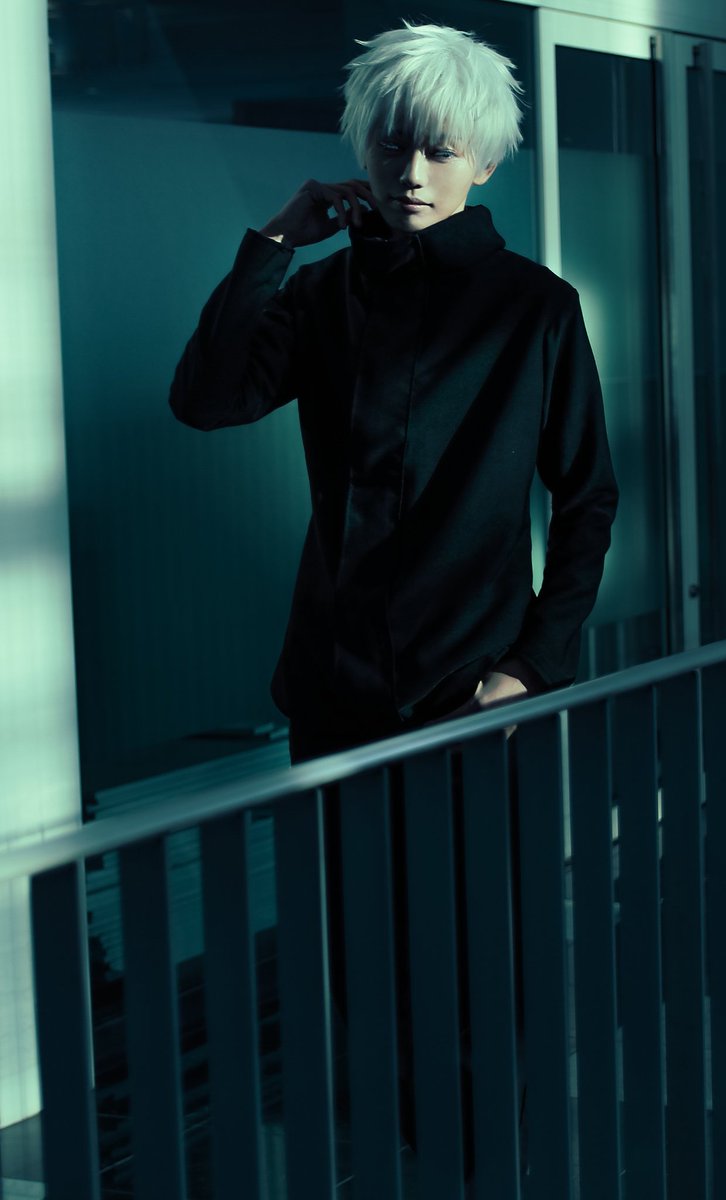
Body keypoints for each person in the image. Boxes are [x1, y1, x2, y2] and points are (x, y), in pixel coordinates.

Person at [169, 20, 617, 763]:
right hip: (331, 693)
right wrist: (275, 243)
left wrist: (530, 666)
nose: (411, 173)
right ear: (363, 149)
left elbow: (587, 497)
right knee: (345, 849)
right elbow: (204, 402)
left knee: (480, 847)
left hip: (470, 697)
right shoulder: (322, 292)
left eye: (441, 152)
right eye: (391, 145)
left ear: (483, 165)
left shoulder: (536, 308)